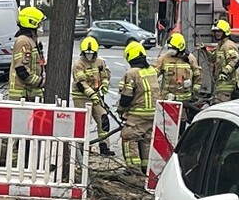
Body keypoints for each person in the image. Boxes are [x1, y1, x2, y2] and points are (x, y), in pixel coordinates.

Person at [117, 40, 159, 174]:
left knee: (128, 136)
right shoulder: (151, 70)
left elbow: (126, 98)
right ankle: (145, 168)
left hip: (139, 114)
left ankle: (133, 169)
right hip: (153, 113)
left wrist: (121, 110)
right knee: (146, 139)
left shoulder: (132, 73)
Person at [71, 36, 113, 156]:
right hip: (81, 97)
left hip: (96, 96)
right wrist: (91, 94)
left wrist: (104, 85)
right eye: (87, 53)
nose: (89, 56)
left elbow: (105, 76)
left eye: (91, 53)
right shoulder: (78, 64)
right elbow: (81, 83)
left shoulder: (100, 62)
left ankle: (104, 147)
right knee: (82, 122)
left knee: (103, 118)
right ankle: (80, 148)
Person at [154, 32, 201, 126]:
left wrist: (195, 92)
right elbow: (153, 74)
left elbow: (197, 74)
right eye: (170, 47)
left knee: (181, 126)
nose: (171, 50)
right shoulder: (164, 59)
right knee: (167, 127)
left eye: (173, 48)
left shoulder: (190, 58)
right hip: (167, 100)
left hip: (185, 102)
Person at [9, 6, 46, 101]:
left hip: (30, 93)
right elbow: (21, 69)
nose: (41, 26)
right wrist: (40, 82)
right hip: (22, 94)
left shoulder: (32, 41)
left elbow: (37, 64)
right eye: (39, 23)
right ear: (32, 23)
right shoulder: (23, 41)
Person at [209, 19, 239, 102]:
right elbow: (213, 59)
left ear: (225, 32)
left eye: (219, 32)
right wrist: (204, 50)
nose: (217, 34)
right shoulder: (220, 45)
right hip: (220, 85)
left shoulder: (228, 45)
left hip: (227, 85)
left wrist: (225, 72)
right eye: (215, 32)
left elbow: (235, 60)